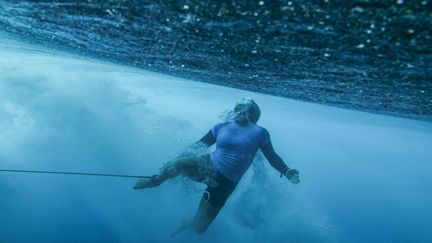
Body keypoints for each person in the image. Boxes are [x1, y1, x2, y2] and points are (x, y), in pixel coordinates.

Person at [133, 98, 300, 235]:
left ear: (253, 114)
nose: (238, 110)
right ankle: (155, 181)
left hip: (226, 183)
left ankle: (190, 223)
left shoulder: (260, 132)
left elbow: (271, 156)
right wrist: (173, 160)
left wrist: (286, 171)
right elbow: (198, 145)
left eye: (244, 108)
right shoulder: (221, 126)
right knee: (179, 164)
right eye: (238, 107)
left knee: (199, 228)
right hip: (209, 165)